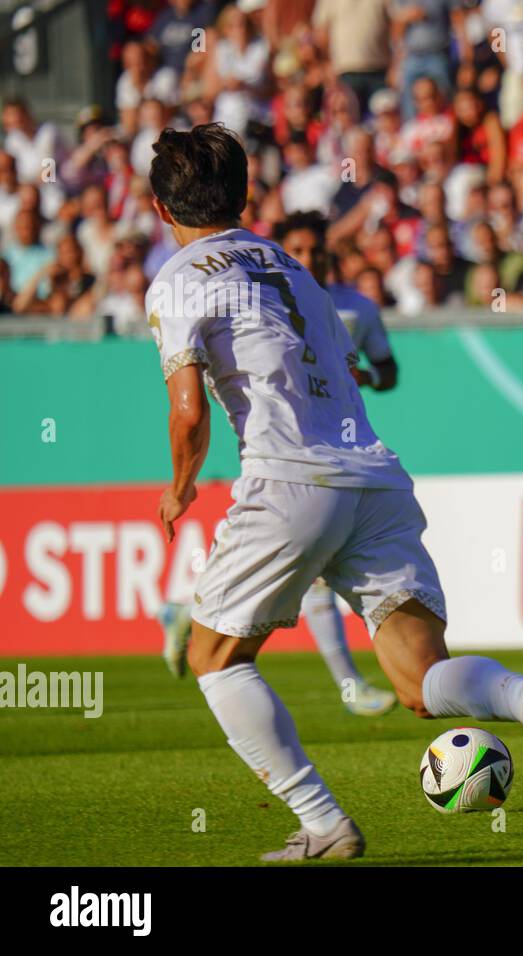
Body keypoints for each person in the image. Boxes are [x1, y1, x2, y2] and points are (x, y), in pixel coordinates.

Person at [146, 124, 523, 861]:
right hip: (373, 478)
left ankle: (322, 823)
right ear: (248, 195)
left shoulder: (180, 278)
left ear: (164, 211)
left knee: (214, 657)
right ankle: (520, 696)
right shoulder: (295, 268)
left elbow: (189, 409)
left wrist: (180, 486)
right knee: (421, 683)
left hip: (288, 479)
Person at [156, 211, 401, 718]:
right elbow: (194, 403)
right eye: (300, 249)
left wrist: (363, 377)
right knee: (309, 578)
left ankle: (188, 610)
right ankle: (350, 686)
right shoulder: (248, 288)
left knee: (306, 575)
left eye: (316, 250)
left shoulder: (349, 305)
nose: (308, 258)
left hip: (342, 445)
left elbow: (388, 370)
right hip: (287, 454)